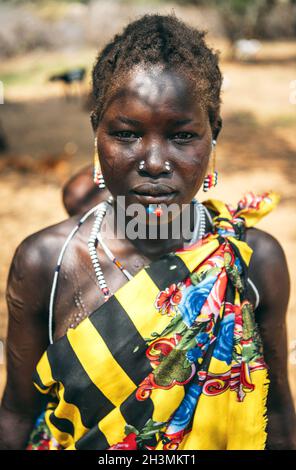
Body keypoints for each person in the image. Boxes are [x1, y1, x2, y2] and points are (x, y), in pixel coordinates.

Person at [0, 14, 295, 450]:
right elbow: (17, 412)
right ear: (96, 133)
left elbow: (278, 413)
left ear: (213, 134)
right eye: (125, 134)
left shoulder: (252, 261)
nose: (155, 162)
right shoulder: (49, 262)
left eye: (182, 135)